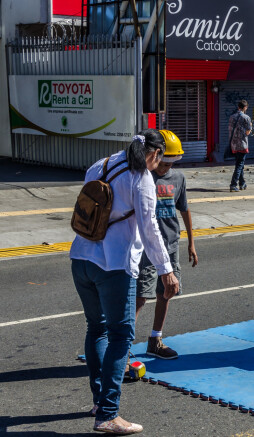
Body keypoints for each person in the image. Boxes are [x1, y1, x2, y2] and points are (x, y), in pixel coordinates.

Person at [70, 129, 179, 435]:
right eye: (161, 159)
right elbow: (149, 227)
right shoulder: (140, 177)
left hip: (81, 259)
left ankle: (98, 401)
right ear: (154, 155)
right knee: (121, 337)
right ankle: (108, 414)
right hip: (114, 266)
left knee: (97, 329)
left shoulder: (100, 164)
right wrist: (165, 269)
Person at [134, 130, 198, 360]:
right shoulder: (142, 176)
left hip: (171, 244)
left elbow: (184, 209)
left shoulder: (178, 179)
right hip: (148, 247)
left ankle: (155, 339)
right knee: (141, 295)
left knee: (166, 293)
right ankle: (123, 345)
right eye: (164, 161)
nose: (166, 167)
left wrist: (191, 242)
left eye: (172, 162)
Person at [228, 100, 252, 192]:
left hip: (233, 144)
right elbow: (248, 132)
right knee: (239, 165)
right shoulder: (246, 117)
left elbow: (230, 130)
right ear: (245, 107)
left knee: (240, 164)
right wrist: (250, 126)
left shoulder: (231, 117)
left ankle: (242, 183)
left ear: (238, 107)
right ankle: (233, 184)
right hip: (242, 144)